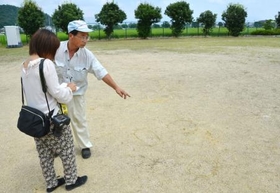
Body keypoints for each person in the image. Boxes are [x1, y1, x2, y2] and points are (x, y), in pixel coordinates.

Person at [21, 29, 87, 192]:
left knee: (44, 154)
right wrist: (70, 88)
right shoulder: (46, 64)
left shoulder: (25, 65)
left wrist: (61, 87)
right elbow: (60, 95)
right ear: (48, 47)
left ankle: (51, 183)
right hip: (52, 119)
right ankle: (71, 180)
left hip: (35, 120)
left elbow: (41, 90)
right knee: (67, 149)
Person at [55, 20, 130, 159]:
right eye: (82, 36)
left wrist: (116, 87)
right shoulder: (56, 49)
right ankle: (57, 147)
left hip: (76, 94)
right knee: (55, 122)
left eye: (87, 36)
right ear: (71, 35)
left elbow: (100, 71)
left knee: (79, 119)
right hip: (56, 94)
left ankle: (84, 146)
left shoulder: (87, 55)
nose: (85, 40)